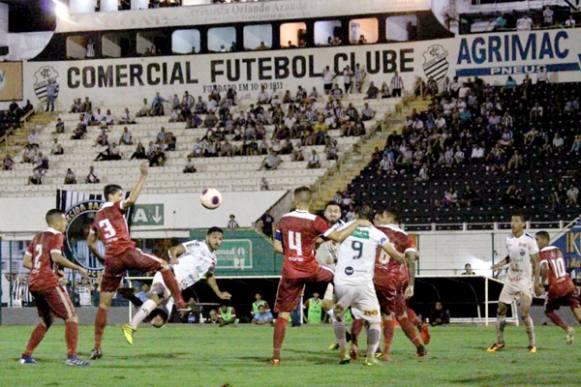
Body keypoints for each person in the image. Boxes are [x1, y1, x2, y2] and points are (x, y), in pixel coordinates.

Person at [87, 162, 190, 360]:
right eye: (119, 195)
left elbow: (91, 243)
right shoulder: (114, 206)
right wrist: (143, 176)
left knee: (103, 305)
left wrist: (104, 259)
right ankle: (180, 300)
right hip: (126, 251)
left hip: (112, 259)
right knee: (164, 265)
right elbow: (132, 200)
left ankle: (97, 347)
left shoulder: (97, 218)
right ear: (113, 196)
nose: (121, 197)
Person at [271, 186, 370, 365]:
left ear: (294, 201)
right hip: (311, 269)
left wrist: (295, 253)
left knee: (283, 315)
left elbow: (277, 246)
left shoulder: (283, 220)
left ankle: (276, 357)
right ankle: (354, 313)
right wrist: (357, 222)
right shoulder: (316, 220)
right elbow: (338, 237)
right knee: (336, 275)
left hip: (290, 271)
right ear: (311, 202)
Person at [122, 228, 231, 342]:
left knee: (159, 321)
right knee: (157, 297)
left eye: (220, 239)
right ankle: (131, 326)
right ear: (207, 237)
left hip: (177, 288)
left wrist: (218, 292)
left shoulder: (213, 260)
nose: (217, 241)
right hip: (169, 275)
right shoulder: (198, 245)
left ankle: (134, 299)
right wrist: (173, 257)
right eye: (214, 237)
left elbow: (209, 276)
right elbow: (174, 249)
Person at [332, 205, 405, 366]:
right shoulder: (377, 233)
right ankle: (370, 356)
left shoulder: (345, 226)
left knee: (338, 315)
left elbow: (333, 237)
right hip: (363, 285)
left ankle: (343, 351)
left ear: (357, 214)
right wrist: (403, 259)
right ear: (373, 217)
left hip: (342, 282)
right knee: (374, 321)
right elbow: (393, 253)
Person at [351, 208, 427, 361]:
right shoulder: (405, 237)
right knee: (397, 315)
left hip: (370, 277)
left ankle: (356, 346)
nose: (377, 218)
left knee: (362, 313)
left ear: (387, 216)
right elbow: (412, 258)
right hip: (393, 281)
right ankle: (389, 351)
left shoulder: (373, 230)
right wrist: (411, 284)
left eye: (379, 215)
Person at [20, 209, 89, 366]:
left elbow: (26, 262)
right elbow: (56, 256)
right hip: (47, 283)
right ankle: (72, 357)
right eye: (65, 221)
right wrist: (78, 268)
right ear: (57, 222)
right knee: (71, 317)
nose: (66, 223)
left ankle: (26, 355)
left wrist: (51, 271)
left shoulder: (37, 237)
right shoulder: (57, 235)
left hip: (34, 283)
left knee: (47, 319)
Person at [488, 212, 542, 353]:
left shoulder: (530, 240)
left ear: (523, 224)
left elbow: (537, 262)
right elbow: (511, 256)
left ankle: (532, 344)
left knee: (524, 313)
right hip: (511, 280)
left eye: (516, 221)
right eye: (512, 221)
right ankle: (500, 342)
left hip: (525, 281)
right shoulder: (509, 239)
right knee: (500, 309)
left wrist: (537, 282)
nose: (513, 223)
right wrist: (500, 263)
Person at [535, 231, 580, 344]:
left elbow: (545, 268)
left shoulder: (542, 253)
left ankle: (568, 329)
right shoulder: (558, 249)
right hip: (568, 282)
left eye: (538, 240)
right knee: (574, 304)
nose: (536, 243)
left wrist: (541, 283)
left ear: (545, 240)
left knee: (548, 310)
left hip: (556, 287)